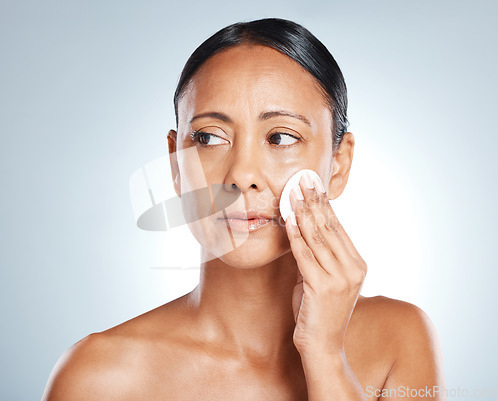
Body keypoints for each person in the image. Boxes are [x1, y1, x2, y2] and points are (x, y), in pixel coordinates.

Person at [42, 18, 446, 400]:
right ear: (175, 164)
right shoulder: (97, 377)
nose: (241, 175)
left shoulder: (400, 339)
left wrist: (325, 356)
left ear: (338, 166)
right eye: (208, 137)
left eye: (281, 137)